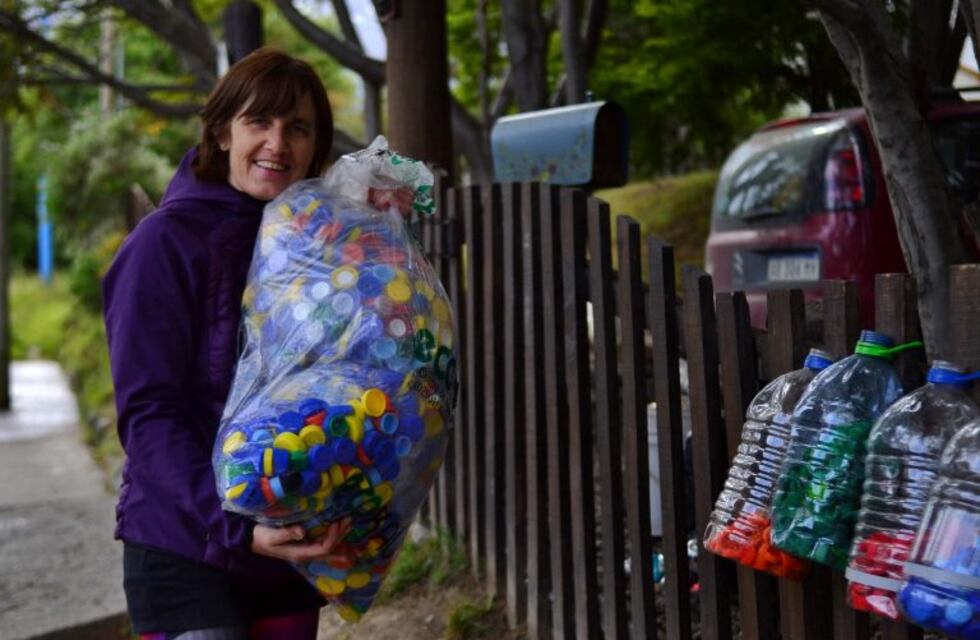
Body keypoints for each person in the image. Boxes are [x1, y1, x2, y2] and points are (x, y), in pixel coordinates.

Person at [103, 48, 350, 640]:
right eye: (257, 122)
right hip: (183, 543)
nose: (277, 142)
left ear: (317, 146)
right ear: (219, 133)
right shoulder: (162, 244)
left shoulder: (321, 249)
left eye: (298, 128)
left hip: (286, 545)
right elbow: (148, 416)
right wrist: (234, 527)